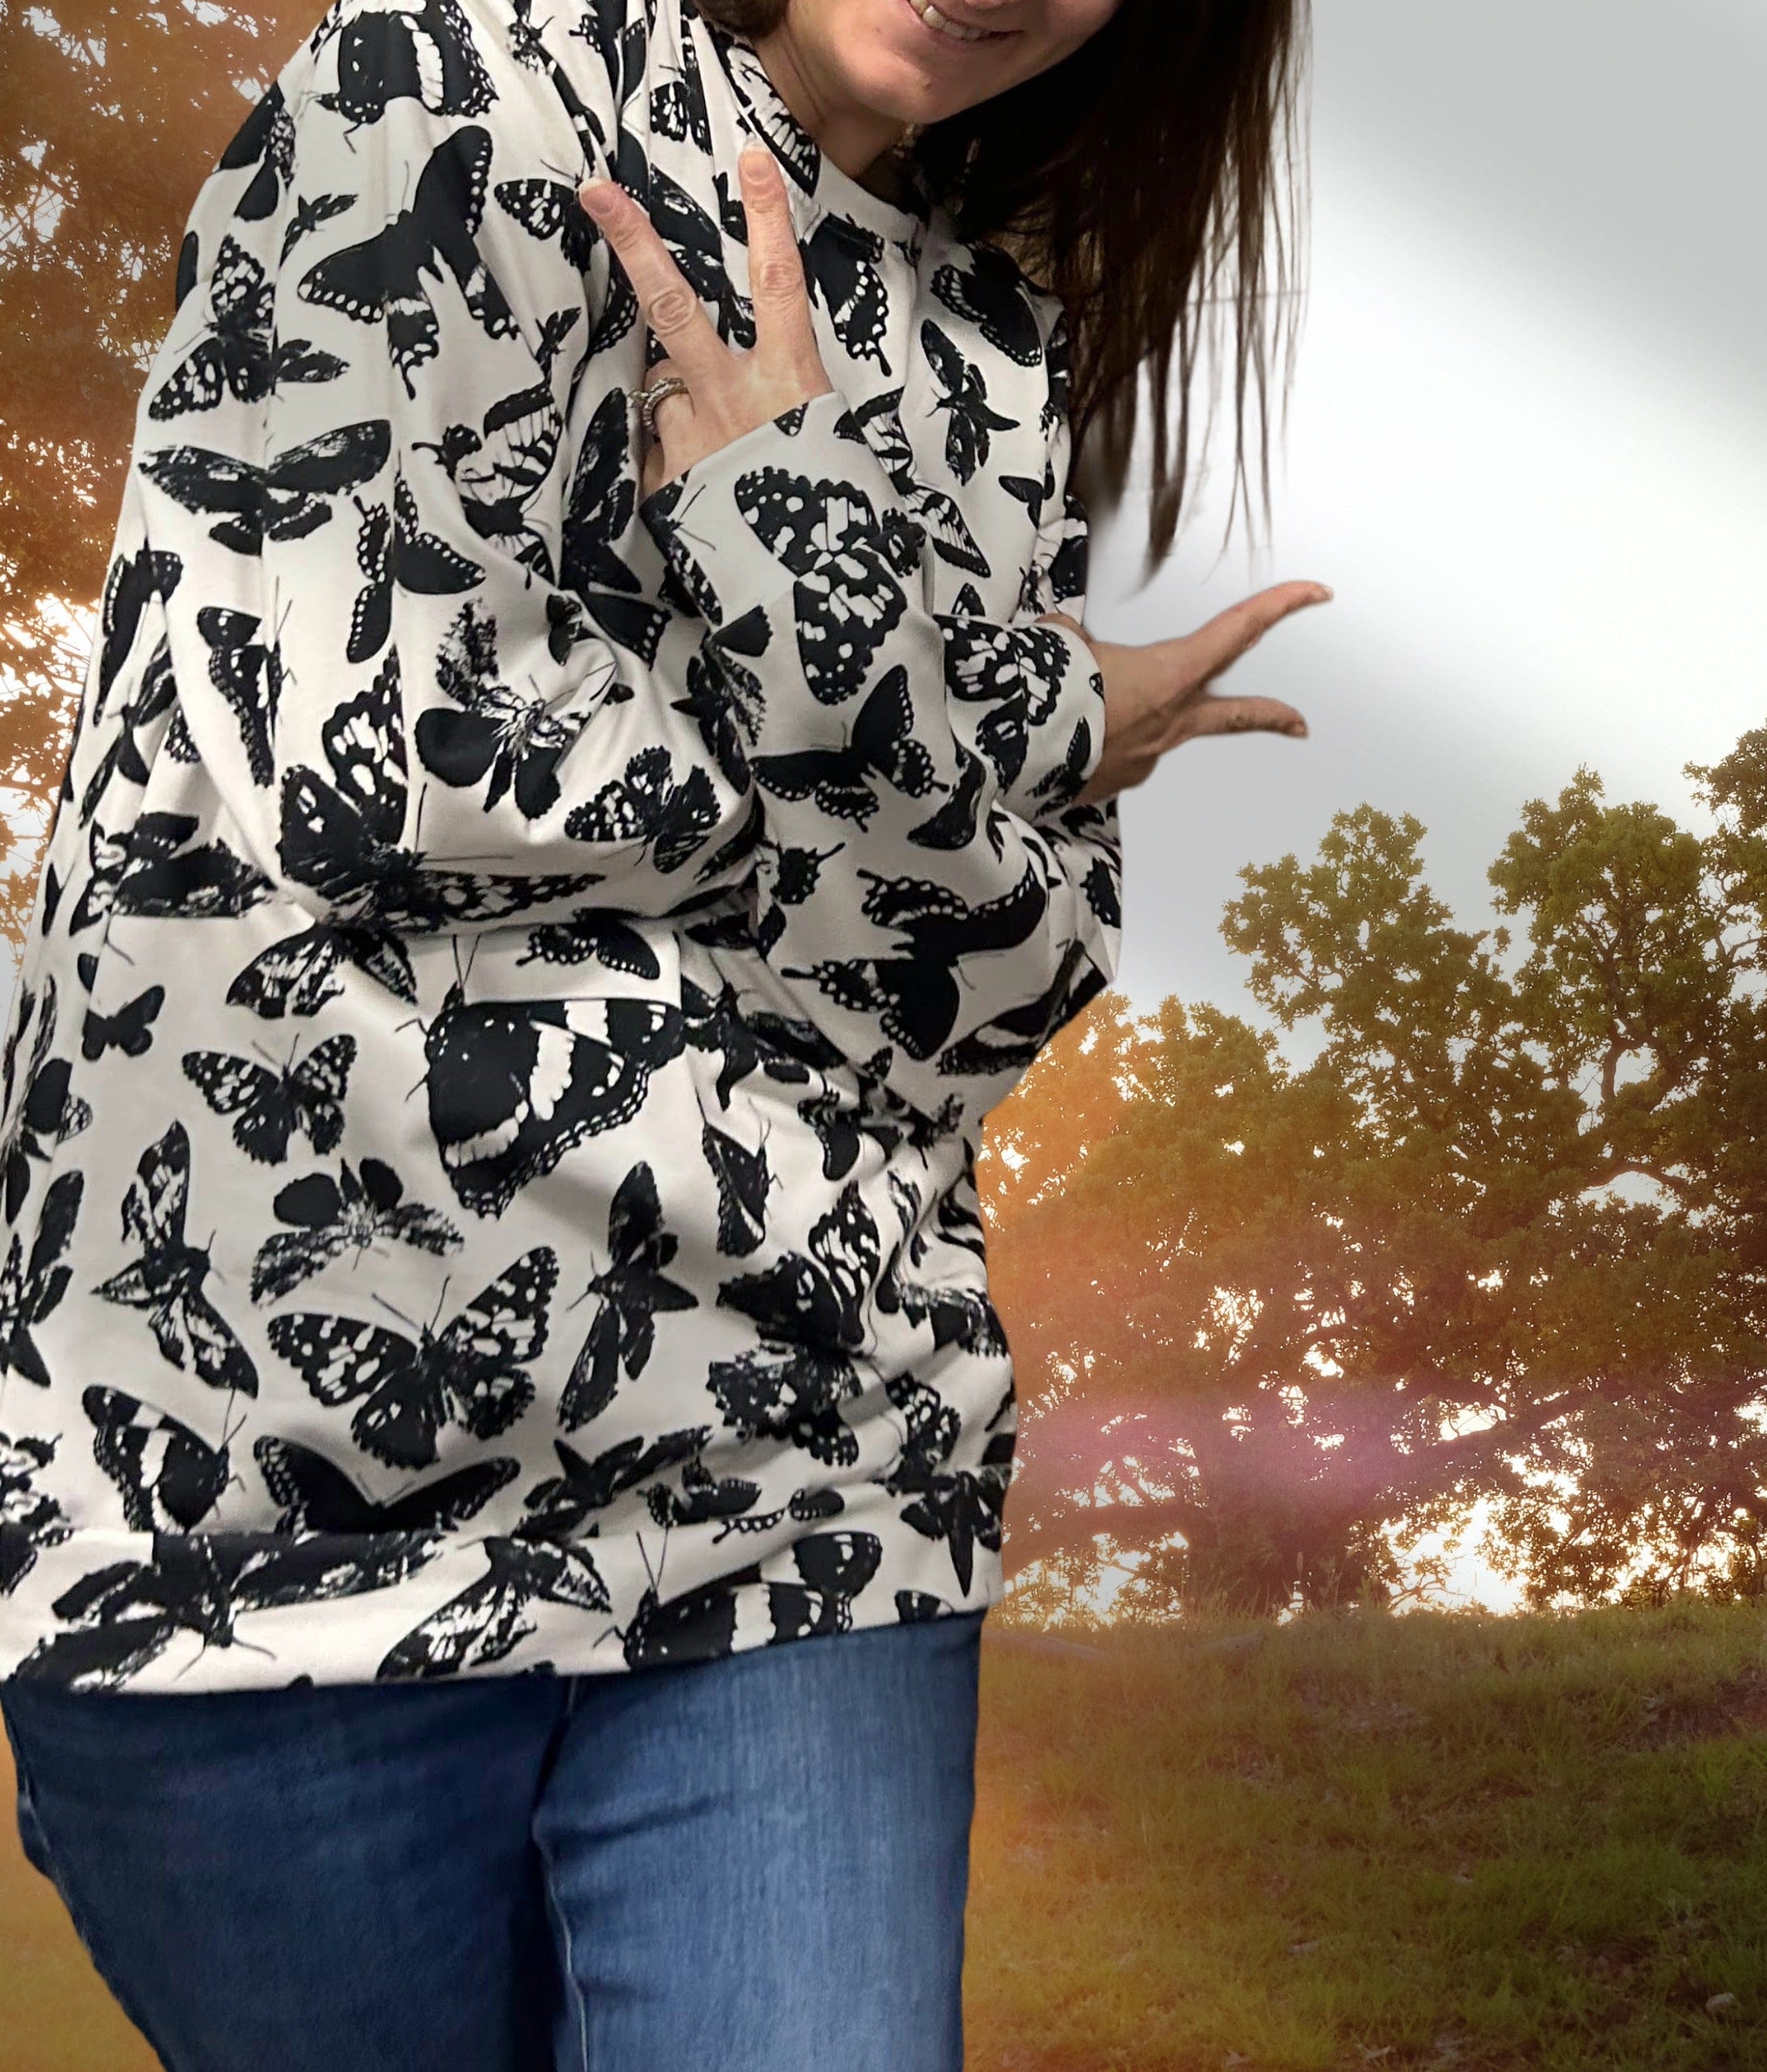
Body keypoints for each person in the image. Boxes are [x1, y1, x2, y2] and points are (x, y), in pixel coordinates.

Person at [0, 0, 1324, 2062]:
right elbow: (352, 761)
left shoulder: (976, 338)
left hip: (810, 1474)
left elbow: (997, 979)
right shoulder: (433, 98)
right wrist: (955, 702)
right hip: (261, 1514)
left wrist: (817, 580)